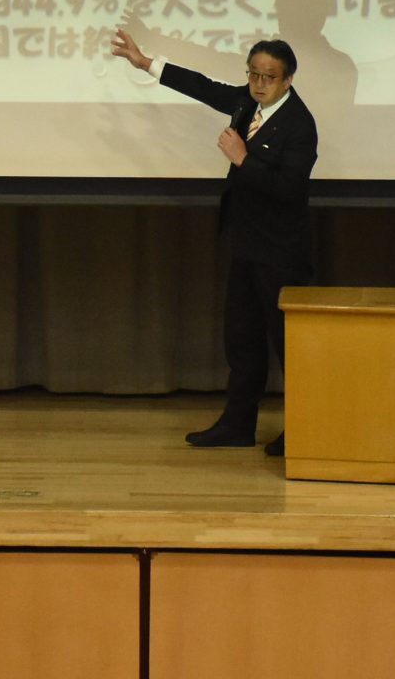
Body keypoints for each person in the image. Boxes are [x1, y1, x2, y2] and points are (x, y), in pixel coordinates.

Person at [110, 27, 317, 455]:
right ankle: (237, 425)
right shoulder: (247, 102)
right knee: (241, 341)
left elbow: (289, 189)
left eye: (268, 77)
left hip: (280, 252)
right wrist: (146, 63)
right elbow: (204, 87)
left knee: (287, 344)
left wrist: (243, 159)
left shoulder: (300, 124)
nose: (258, 83)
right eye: (253, 74)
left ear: (288, 80)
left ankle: (304, 428)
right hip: (245, 244)